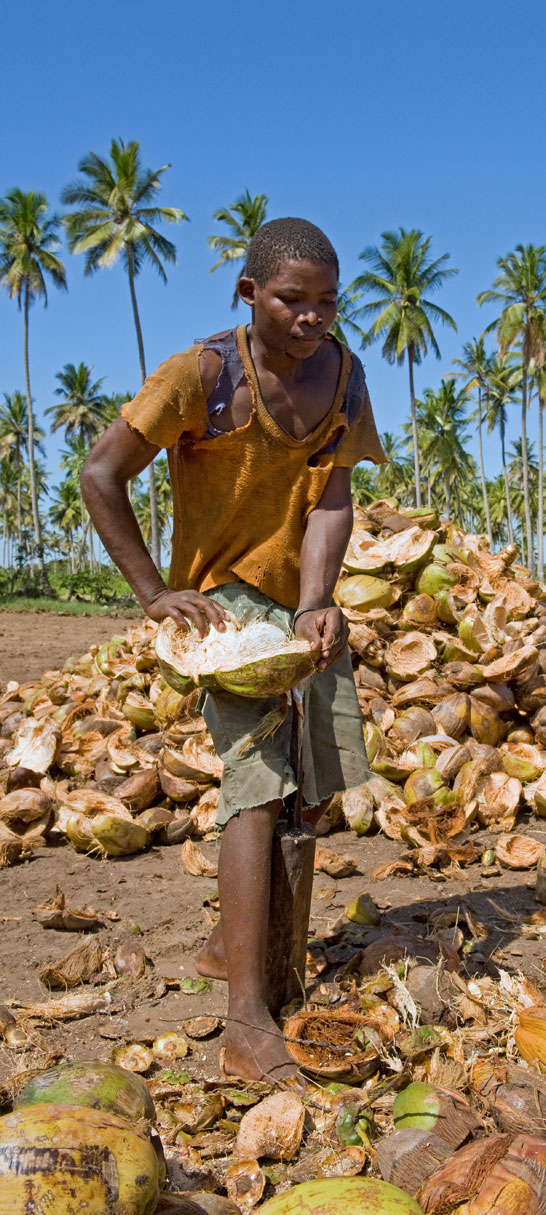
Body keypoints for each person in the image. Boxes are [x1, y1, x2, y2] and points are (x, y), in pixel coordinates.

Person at [81, 216, 385, 1083]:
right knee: (257, 788)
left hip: (301, 605)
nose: (312, 317)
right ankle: (247, 1017)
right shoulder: (200, 375)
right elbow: (102, 475)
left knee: (319, 786)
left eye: (327, 301)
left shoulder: (346, 377)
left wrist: (321, 601)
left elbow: (331, 496)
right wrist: (155, 594)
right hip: (224, 609)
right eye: (293, 298)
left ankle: (235, 945)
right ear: (249, 293)